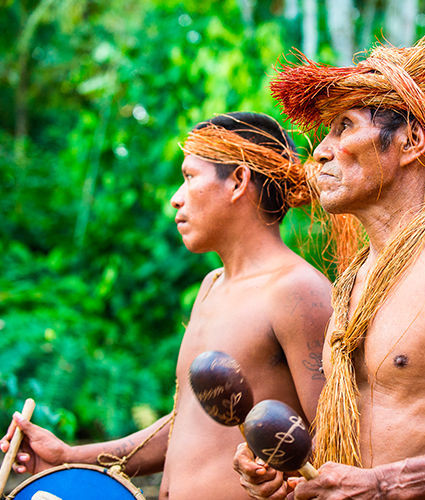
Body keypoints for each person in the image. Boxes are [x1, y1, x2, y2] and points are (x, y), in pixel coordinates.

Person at [233, 22, 425, 499]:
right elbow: (371, 438)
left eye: (345, 128)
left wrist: (383, 485)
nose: (320, 151)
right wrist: (293, 470)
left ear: (411, 141)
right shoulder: (355, 277)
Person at [1, 112, 333, 499]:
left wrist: (288, 485)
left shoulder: (298, 291)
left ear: (238, 182)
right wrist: (68, 457)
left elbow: (338, 440)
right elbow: (187, 426)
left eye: (190, 176)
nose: (176, 197)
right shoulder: (212, 286)